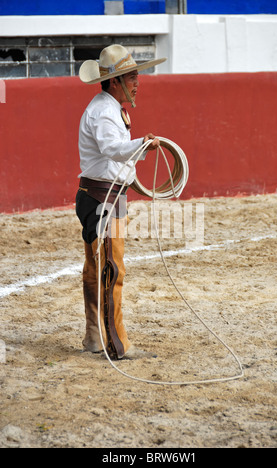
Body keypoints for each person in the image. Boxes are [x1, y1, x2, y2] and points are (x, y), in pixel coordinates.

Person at [76, 44, 166, 360]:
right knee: (112, 270)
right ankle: (116, 345)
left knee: (97, 268)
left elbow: (113, 152)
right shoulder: (104, 111)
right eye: (132, 76)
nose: (137, 81)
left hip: (100, 196)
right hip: (105, 199)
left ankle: (94, 337)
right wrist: (143, 144)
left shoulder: (107, 107)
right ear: (115, 81)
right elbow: (113, 149)